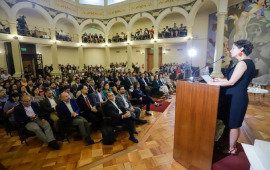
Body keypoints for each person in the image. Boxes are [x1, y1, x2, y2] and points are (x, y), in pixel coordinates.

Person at [207, 40, 255, 155]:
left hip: (236, 99)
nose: (231, 50)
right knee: (232, 123)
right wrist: (221, 80)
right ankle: (230, 146)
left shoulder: (242, 63)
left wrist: (212, 83)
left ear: (241, 49)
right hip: (236, 96)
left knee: (234, 124)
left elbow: (232, 82)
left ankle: (232, 149)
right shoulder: (248, 62)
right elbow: (238, 81)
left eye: (233, 48)